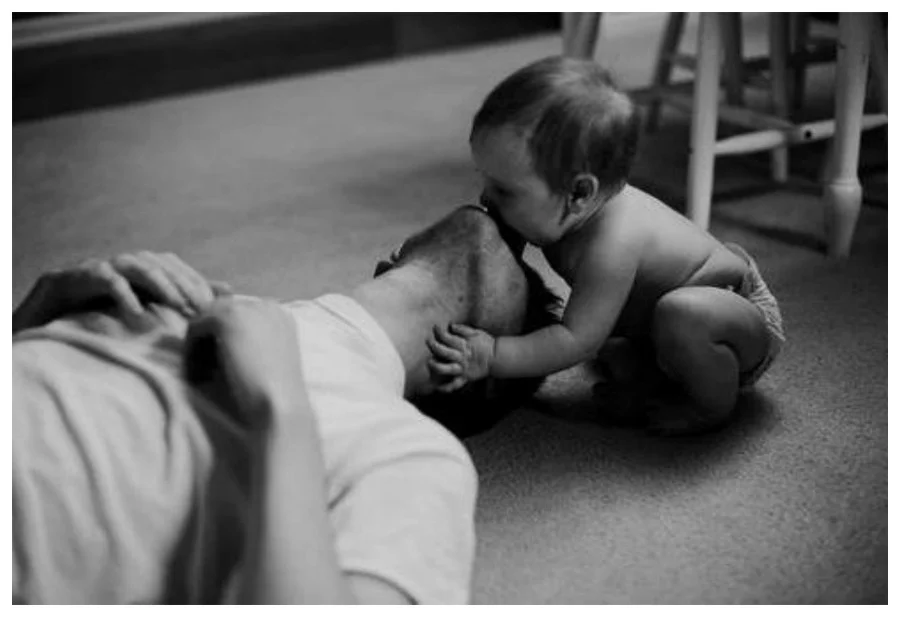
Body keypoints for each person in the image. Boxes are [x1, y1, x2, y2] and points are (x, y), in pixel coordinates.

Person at [11, 205, 559, 604]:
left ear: (460, 377)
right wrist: (34, 315)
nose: (516, 236)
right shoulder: (184, 291)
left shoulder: (414, 455)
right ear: (387, 263)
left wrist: (282, 406)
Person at [428, 56, 786, 435]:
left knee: (679, 315)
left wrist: (493, 355)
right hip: (650, 325)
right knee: (616, 352)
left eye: (504, 190)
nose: (486, 197)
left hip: (734, 314)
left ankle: (709, 405)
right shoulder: (560, 213)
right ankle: (657, 372)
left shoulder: (613, 244)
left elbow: (574, 341)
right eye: (485, 180)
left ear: (579, 193)